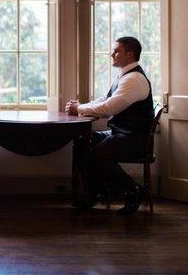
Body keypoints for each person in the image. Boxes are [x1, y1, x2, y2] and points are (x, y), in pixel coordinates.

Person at [66, 36, 154, 214]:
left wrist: (79, 109)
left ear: (129, 55)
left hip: (134, 139)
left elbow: (108, 108)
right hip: (122, 134)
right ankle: (93, 193)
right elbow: (106, 100)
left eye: (116, 51)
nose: (112, 54)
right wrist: (80, 106)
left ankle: (133, 190)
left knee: (95, 155)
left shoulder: (134, 79)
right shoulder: (125, 76)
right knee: (82, 141)